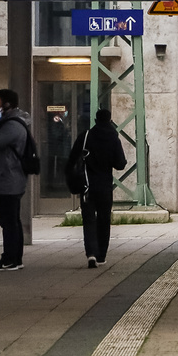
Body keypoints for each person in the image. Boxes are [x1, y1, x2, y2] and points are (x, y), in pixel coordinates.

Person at [0, 89, 33, 271]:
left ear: (7, 104)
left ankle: (10, 259)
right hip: (9, 179)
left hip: (8, 180)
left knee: (8, 221)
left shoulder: (12, 126)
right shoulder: (12, 123)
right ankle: (14, 259)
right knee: (12, 221)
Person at [72, 109, 127, 269]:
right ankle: (101, 255)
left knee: (89, 220)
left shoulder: (86, 136)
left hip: (87, 186)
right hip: (104, 187)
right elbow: (120, 164)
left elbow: (73, 156)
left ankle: (91, 253)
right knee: (104, 220)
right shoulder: (113, 138)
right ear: (110, 120)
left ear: (95, 120)